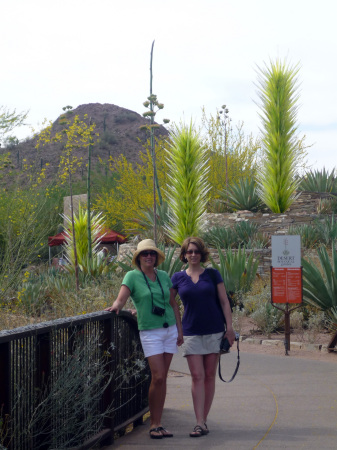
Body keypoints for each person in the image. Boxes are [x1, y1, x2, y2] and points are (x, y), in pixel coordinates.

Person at [105, 239, 183, 439]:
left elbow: (172, 303)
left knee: (163, 378)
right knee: (157, 376)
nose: (149, 256)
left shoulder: (164, 276)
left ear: (156, 257)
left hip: (169, 329)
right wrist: (116, 307)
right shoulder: (132, 276)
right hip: (150, 332)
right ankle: (153, 424)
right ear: (138, 257)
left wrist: (180, 330)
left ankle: (158, 422)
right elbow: (121, 299)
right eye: (145, 253)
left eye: (152, 253)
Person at [171, 236, 235, 437]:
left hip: (214, 331)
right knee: (197, 376)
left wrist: (230, 328)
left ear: (202, 254)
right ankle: (199, 422)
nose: (193, 255)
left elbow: (225, 302)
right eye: (189, 251)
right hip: (191, 333)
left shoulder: (212, 274)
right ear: (184, 255)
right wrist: (178, 329)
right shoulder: (178, 278)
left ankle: (202, 421)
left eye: (196, 251)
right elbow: (170, 303)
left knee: (209, 376)